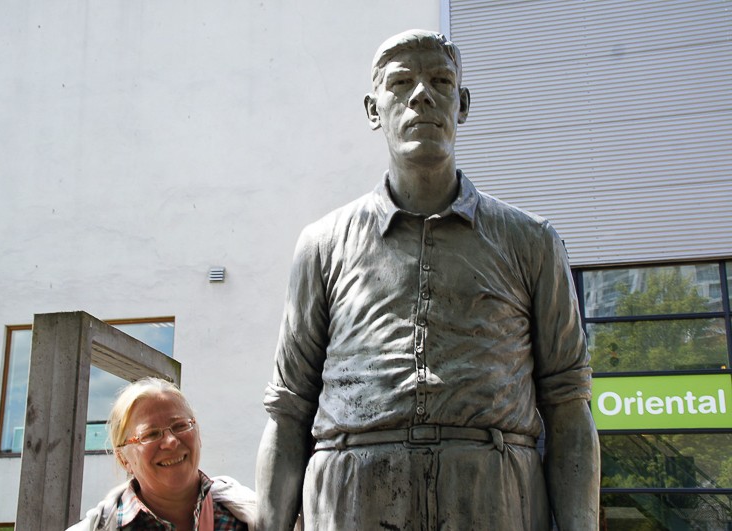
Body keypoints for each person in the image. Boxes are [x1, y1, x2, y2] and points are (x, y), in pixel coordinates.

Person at [255, 29, 600, 530]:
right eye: (401, 83)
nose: (421, 94)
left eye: (440, 81)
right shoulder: (322, 244)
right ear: (373, 109)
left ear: (462, 104)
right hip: (352, 499)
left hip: (493, 498)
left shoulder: (532, 241)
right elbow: (288, 409)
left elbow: (568, 404)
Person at [67, 377, 255, 531]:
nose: (171, 441)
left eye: (180, 426)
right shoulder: (102, 527)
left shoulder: (250, 517)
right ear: (124, 459)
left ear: (197, 434)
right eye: (150, 434)